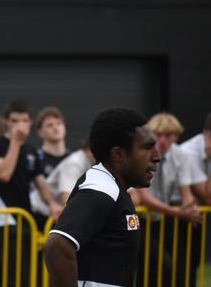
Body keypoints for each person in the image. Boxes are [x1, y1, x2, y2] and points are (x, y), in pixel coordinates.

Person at [43, 108, 160, 287]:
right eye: (147, 147)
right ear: (118, 154)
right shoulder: (101, 189)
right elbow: (57, 246)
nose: (157, 156)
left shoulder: (112, 187)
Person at [0, 99, 60, 287]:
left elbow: (40, 182)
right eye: (15, 121)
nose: (20, 125)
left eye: (24, 121)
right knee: (14, 277)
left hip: (27, 220)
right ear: (7, 122)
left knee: (34, 276)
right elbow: (3, 174)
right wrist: (15, 142)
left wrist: (53, 204)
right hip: (4, 219)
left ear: (30, 123)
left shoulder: (31, 150)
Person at [134, 112, 201, 287]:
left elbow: (185, 191)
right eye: (158, 135)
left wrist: (189, 207)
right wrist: (177, 211)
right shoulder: (142, 154)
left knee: (180, 265)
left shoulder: (180, 155)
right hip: (141, 218)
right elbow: (142, 196)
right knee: (154, 266)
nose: (163, 140)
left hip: (162, 217)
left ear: (176, 136)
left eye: (168, 135)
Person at [29, 139, 94, 222]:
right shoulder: (75, 163)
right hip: (40, 211)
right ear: (88, 149)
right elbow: (66, 198)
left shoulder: (92, 164)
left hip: (57, 212)